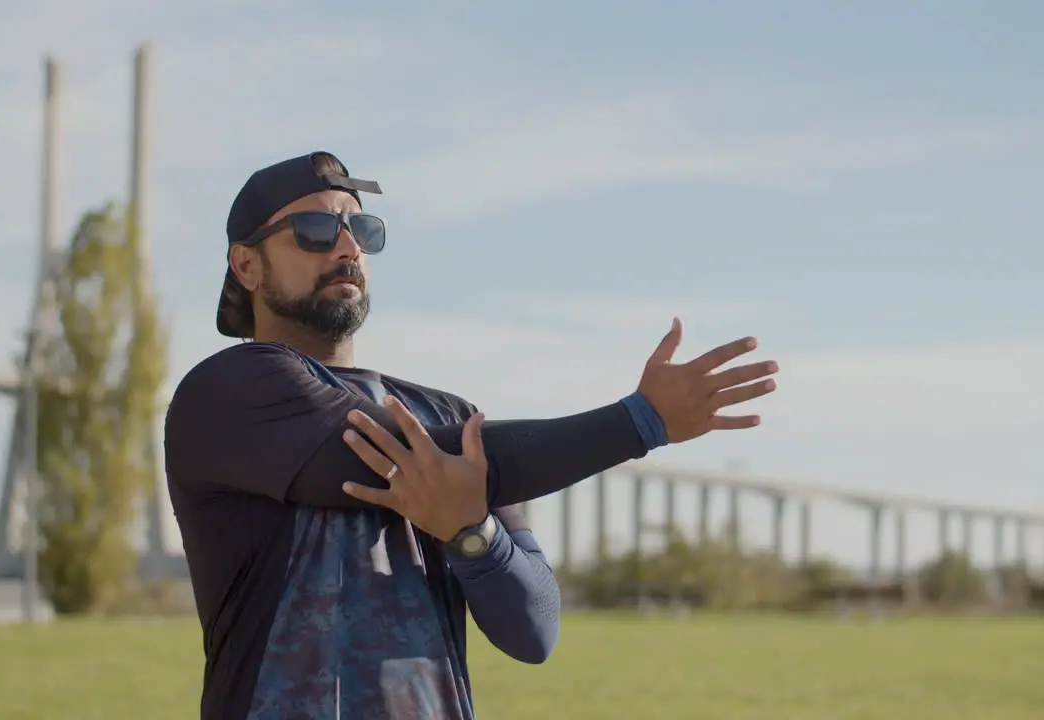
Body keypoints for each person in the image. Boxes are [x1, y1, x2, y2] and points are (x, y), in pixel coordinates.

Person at [164, 151, 780, 720]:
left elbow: (533, 631)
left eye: (363, 230)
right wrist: (640, 422)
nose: (348, 247)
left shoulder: (449, 412)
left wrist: (472, 534)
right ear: (245, 263)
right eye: (317, 230)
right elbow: (405, 456)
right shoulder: (229, 391)